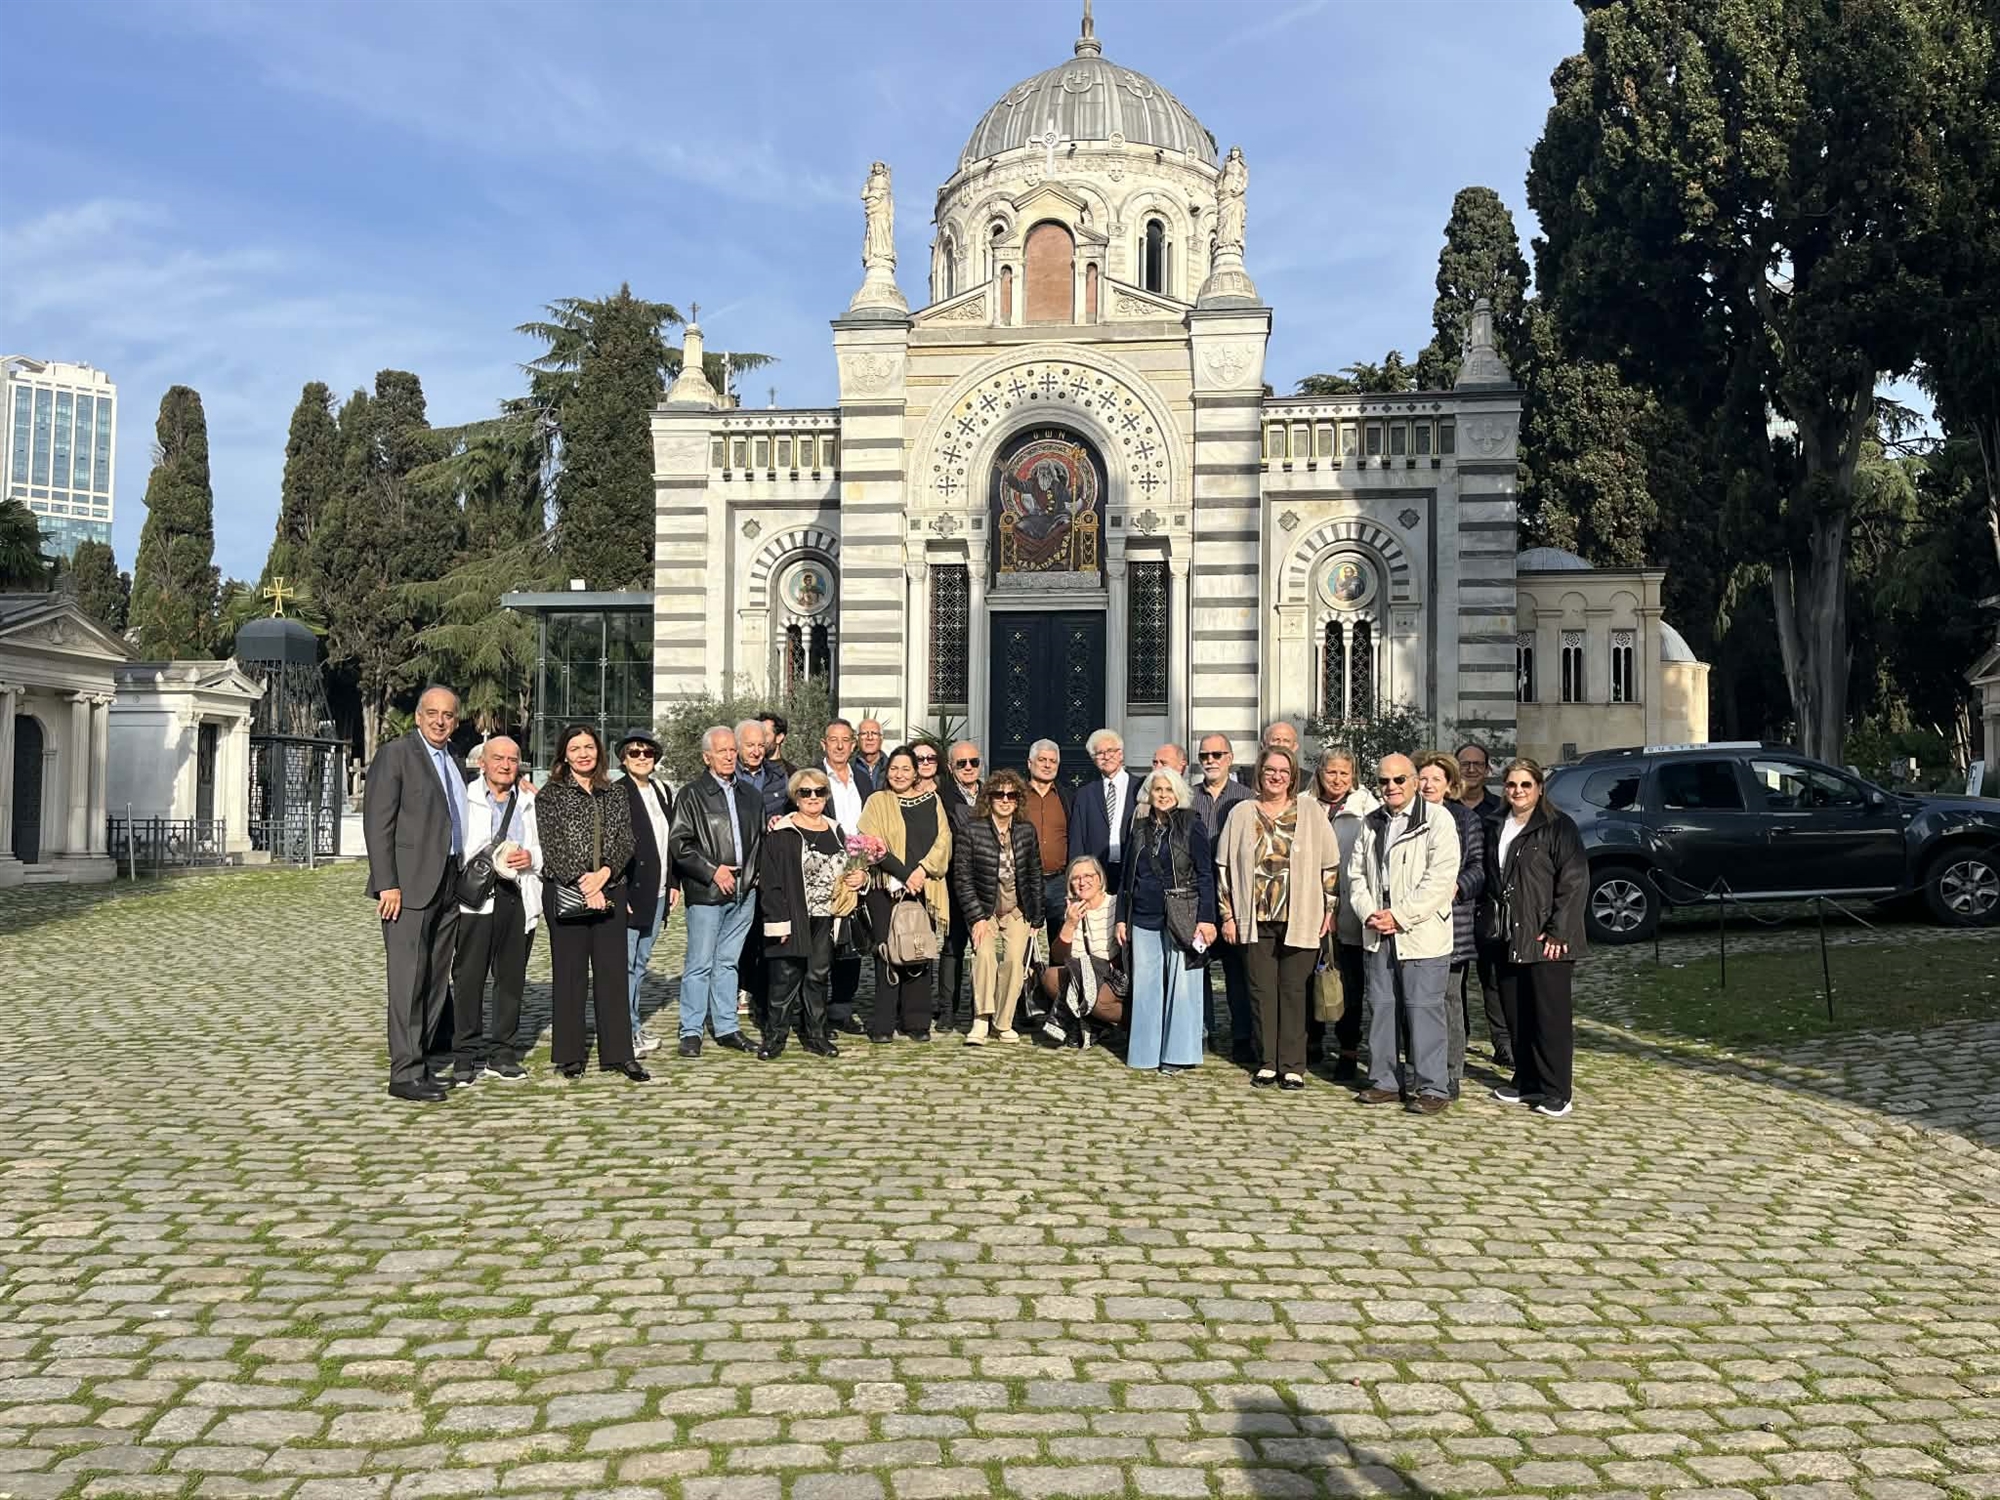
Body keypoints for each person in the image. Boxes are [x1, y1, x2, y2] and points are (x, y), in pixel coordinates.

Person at [1215, 744, 1341, 1091]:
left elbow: (1329, 865)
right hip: (1254, 918)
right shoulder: (1242, 812)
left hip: (1300, 917)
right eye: (1270, 770)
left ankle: (1293, 1065)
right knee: (1261, 991)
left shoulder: (1310, 810)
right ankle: (1267, 1061)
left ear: (1293, 776)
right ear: (1260, 772)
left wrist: (1329, 911)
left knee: (1293, 991)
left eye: (1283, 771)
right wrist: (1227, 914)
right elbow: (1224, 867)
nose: (1276, 776)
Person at [364, 685, 468, 1102]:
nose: (440, 721)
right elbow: (378, 821)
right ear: (418, 717)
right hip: (407, 886)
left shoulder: (455, 760)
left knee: (434, 979)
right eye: (432, 713)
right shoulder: (397, 755)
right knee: (407, 980)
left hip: (449, 881)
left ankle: (421, 1061)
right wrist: (387, 882)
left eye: (448, 715)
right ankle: (404, 1073)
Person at [1347, 752, 1461, 1115]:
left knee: (1423, 1009)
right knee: (1382, 1007)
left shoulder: (1438, 820)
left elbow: (1440, 880)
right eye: (1383, 781)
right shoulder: (1371, 822)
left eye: (1399, 780)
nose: (1391, 787)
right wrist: (1369, 913)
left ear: (1414, 781)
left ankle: (1432, 1086)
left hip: (1420, 931)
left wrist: (1399, 916)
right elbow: (1356, 876)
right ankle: (1384, 1081)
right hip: (1378, 928)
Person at [537, 724, 647, 1082]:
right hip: (568, 890)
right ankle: (570, 1055)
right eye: (575, 748)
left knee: (612, 973)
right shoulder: (550, 795)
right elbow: (553, 846)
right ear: (564, 755)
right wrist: (586, 885)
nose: (584, 753)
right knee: (570, 975)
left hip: (609, 888)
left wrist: (605, 875)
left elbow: (626, 840)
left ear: (598, 752)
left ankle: (619, 1054)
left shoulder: (613, 792)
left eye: (589, 747)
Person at [1486, 757, 1588, 1118]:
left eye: (1525, 785)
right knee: (1517, 1012)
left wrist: (1560, 929)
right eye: (1511, 785)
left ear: (1539, 788)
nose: (1517, 792)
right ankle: (1526, 1079)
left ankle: (1557, 1088)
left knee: (1550, 1017)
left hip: (1547, 937)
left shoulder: (1559, 827)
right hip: (1509, 936)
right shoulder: (1496, 824)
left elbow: (1574, 881)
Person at [755, 768, 867, 1059]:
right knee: (784, 979)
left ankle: (815, 1035)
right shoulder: (782, 832)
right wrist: (778, 922)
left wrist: (860, 879)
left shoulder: (835, 829)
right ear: (796, 796)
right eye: (806, 792)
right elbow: (770, 881)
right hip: (792, 916)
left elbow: (850, 869)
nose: (813, 797)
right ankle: (775, 1037)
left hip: (826, 917)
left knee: (818, 977)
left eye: (819, 791)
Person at [450, 733, 539, 1084]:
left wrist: (532, 857)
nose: (505, 765)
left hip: (517, 896)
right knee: (469, 979)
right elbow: (455, 846)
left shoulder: (530, 801)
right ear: (482, 763)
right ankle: (464, 1055)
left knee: (511, 980)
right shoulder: (465, 798)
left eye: (512, 759)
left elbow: (543, 847)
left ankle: (503, 1052)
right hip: (476, 901)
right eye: (498, 758)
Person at [669, 725, 763, 1058]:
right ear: (707, 757)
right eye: (721, 751)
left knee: (728, 962)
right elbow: (679, 844)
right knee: (699, 963)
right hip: (707, 892)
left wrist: (753, 878)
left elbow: (759, 843)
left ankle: (726, 1027)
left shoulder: (751, 795)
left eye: (732, 751)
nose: (728, 756)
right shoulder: (691, 795)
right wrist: (713, 871)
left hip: (744, 892)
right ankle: (691, 1030)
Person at [1116, 767, 1217, 1074]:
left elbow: (1205, 875)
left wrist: (1207, 919)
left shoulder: (1192, 825)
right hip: (1144, 914)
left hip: (1182, 914)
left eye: (1168, 790)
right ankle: (1145, 1053)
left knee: (1182, 985)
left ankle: (1179, 1053)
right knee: (1146, 987)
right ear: (1150, 792)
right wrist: (1122, 918)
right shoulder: (1140, 827)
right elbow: (1126, 877)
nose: (1162, 795)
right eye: (1158, 789)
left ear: (1179, 794)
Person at [858, 746, 953, 1042]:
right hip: (885, 887)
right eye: (894, 768)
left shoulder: (932, 801)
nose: (899, 774)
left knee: (918, 951)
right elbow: (870, 842)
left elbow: (944, 840)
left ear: (916, 773)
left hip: (925, 886)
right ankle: (884, 1024)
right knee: (887, 952)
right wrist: (904, 874)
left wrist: (922, 871)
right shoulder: (877, 801)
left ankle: (917, 1022)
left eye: (905, 769)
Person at [952, 768, 1044, 1046]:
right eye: (999, 795)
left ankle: (1003, 1022)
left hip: (1017, 908)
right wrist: (977, 918)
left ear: (1018, 800)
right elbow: (962, 877)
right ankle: (981, 1018)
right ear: (989, 798)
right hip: (984, 908)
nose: (1005, 800)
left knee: (1015, 961)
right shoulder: (972, 830)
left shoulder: (1026, 831)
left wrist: (1036, 918)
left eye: (1011, 795)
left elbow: (1034, 874)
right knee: (985, 956)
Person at [1417, 751, 1486, 1099]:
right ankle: (1420, 1066)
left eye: (1436, 779)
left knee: (1448, 999)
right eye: (1423, 778)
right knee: (1415, 1000)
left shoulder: (1464, 819)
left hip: (1450, 921)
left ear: (1449, 785)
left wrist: (1454, 888)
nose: (1428, 785)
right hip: (1411, 923)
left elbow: (1477, 867)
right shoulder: (1406, 817)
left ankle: (1450, 1070)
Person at [1309, 748, 1378, 1081]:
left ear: (1353, 777)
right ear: (1320, 772)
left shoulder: (1366, 808)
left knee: (1348, 981)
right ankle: (1312, 1040)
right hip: (1307, 907)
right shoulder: (1305, 803)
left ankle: (1349, 1049)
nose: (1336, 780)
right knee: (1309, 975)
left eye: (1344, 774)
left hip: (1349, 908)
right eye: (1331, 772)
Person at [1191, 733, 1254, 1061]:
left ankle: (1242, 1036)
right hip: (1198, 896)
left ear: (1229, 758)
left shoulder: (1246, 798)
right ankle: (1201, 1032)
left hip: (1235, 896)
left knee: (1238, 972)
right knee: (1196, 967)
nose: (1210, 760)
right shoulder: (1187, 797)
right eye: (1204, 756)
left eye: (1217, 754)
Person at [617, 730, 676, 1058]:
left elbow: (670, 842)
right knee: (625, 963)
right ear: (623, 759)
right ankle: (626, 1029)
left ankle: (633, 1023)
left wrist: (674, 884)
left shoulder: (661, 791)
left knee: (640, 962)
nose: (642, 758)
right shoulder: (617, 792)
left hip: (657, 891)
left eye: (647, 753)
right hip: (631, 891)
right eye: (635, 753)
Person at [1456, 739, 1511, 1070]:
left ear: (1488, 769)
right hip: (1456, 906)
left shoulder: (1498, 809)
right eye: (1466, 764)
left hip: (1489, 906)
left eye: (1478, 764)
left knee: (1493, 978)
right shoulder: (1446, 808)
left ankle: (1503, 1043)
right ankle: (1456, 1042)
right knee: (1454, 981)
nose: (1472, 769)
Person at [819, 718, 871, 1033]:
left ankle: (841, 1008)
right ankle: (814, 1012)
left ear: (853, 745)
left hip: (857, 873)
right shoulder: (812, 777)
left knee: (850, 945)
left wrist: (864, 865)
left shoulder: (863, 781)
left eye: (845, 740)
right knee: (821, 943)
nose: (839, 746)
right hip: (825, 873)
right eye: (833, 740)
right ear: (823, 744)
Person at [1042, 856, 1116, 1050]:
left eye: (1088, 876)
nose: (1082, 882)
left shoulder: (1115, 905)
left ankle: (1107, 1021)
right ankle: (1093, 1024)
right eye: (1076, 878)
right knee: (1050, 977)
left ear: (1100, 878)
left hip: (1111, 979)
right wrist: (1070, 923)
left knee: (1098, 999)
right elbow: (1058, 957)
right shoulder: (1071, 909)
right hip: (1081, 978)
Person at [935, 739, 983, 1033]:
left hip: (986, 881)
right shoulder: (941, 795)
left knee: (985, 947)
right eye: (962, 763)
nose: (968, 768)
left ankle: (982, 1010)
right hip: (954, 879)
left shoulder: (993, 794)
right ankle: (947, 1011)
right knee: (953, 946)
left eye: (974, 762)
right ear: (950, 767)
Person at [1069, 728, 1142, 894]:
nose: (1106, 757)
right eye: (1099, 753)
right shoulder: (1084, 794)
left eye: (1111, 751)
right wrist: (1077, 876)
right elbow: (1077, 840)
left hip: (1131, 870)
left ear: (1121, 754)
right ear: (1094, 759)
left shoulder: (1140, 788)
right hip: (1094, 874)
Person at [1022, 738, 1071, 932]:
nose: (1047, 765)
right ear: (1030, 763)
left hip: (1059, 881)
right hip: (1025, 879)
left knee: (1060, 938)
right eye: (1042, 760)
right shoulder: (1016, 797)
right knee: (1024, 939)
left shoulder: (1066, 797)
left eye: (1053, 761)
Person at [759, 711, 798, 782]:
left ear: (779, 737)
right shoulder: (752, 769)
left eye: (765, 735)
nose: (760, 739)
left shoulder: (792, 774)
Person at [856, 718, 888, 785]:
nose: (870, 738)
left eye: (874, 733)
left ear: (881, 739)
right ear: (857, 738)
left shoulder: (890, 766)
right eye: (864, 733)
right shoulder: (848, 766)